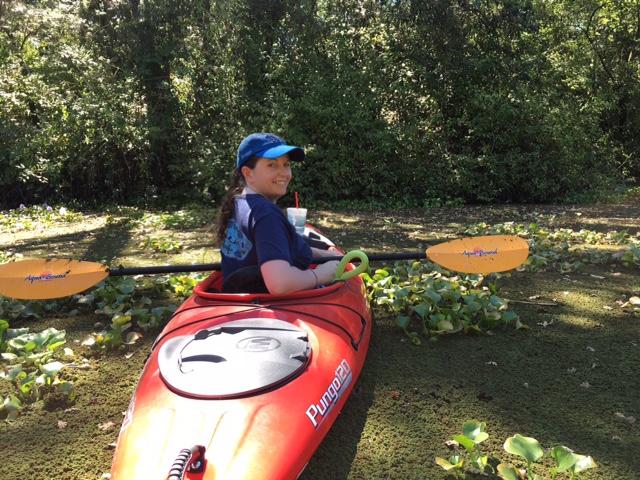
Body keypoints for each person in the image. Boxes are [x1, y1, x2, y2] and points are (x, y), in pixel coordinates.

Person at [216, 133, 340, 295]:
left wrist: (328, 255)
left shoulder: (240, 203)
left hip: (238, 303)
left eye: (286, 164)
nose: (284, 173)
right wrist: (321, 275)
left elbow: (279, 247)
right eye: (272, 165)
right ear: (248, 173)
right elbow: (279, 284)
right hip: (268, 309)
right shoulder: (266, 215)